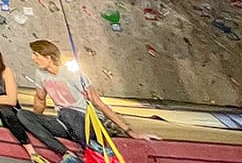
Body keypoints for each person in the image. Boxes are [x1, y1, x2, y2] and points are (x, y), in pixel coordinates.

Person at [17, 40, 153, 163]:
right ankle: (66, 154)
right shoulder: (40, 74)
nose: (33, 58)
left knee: (67, 112)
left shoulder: (73, 74)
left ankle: (93, 150)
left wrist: (129, 131)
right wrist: (35, 120)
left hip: (86, 122)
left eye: (36, 55)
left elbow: (98, 102)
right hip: (64, 123)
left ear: (48, 57)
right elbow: (40, 99)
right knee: (22, 115)